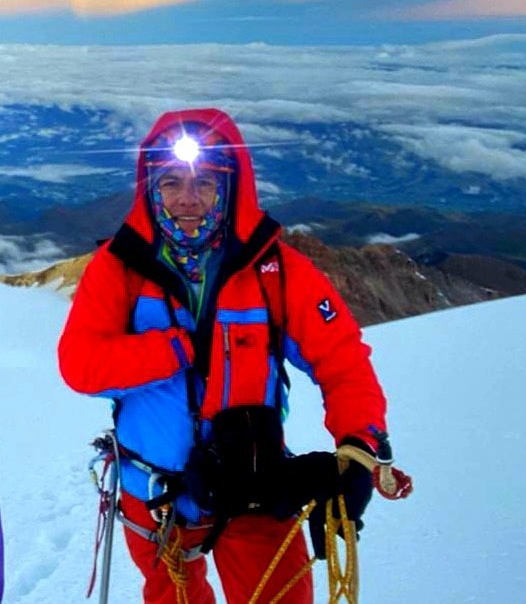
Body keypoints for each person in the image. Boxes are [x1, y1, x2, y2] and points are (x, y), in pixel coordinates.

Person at [58, 108, 388, 604]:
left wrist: (359, 444)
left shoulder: (277, 272)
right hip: (157, 496)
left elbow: (342, 360)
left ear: (230, 186)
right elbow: (80, 365)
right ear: (149, 187)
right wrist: (176, 348)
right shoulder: (118, 270)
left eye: (205, 182)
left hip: (255, 487)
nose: (187, 199)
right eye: (170, 182)